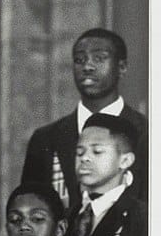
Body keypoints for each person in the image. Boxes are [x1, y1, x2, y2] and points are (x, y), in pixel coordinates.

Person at [21, 28, 148, 209]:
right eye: (79, 60)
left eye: (99, 58)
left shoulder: (148, 135)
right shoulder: (45, 138)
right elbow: (29, 208)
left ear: (122, 67)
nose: (87, 67)